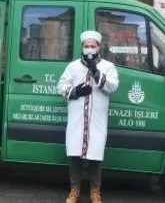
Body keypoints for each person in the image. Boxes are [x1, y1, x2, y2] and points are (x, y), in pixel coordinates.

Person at [57, 30, 119, 203]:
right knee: (75, 154)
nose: (90, 49)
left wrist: (96, 72)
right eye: (87, 46)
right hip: (77, 118)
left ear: (99, 47)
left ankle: (95, 191)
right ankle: (74, 189)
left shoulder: (108, 67)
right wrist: (75, 91)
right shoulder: (73, 66)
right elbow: (61, 86)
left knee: (95, 154)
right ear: (82, 47)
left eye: (93, 46)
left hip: (96, 119)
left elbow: (113, 86)